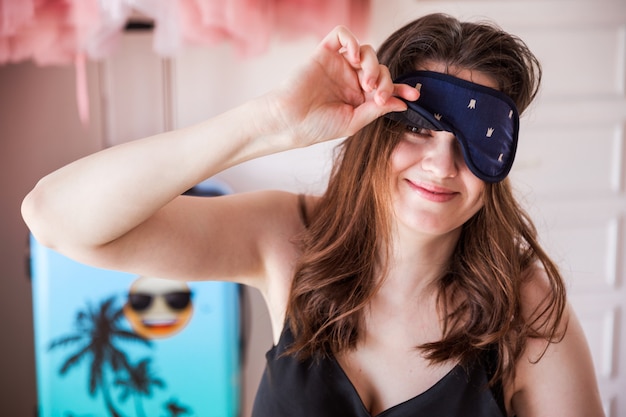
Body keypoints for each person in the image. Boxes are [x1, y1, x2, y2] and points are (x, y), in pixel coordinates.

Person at [22, 12, 604, 417]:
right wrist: (269, 122)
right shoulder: (286, 238)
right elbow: (53, 216)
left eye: (476, 142)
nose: (442, 164)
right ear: (376, 123)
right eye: (422, 128)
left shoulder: (527, 313)